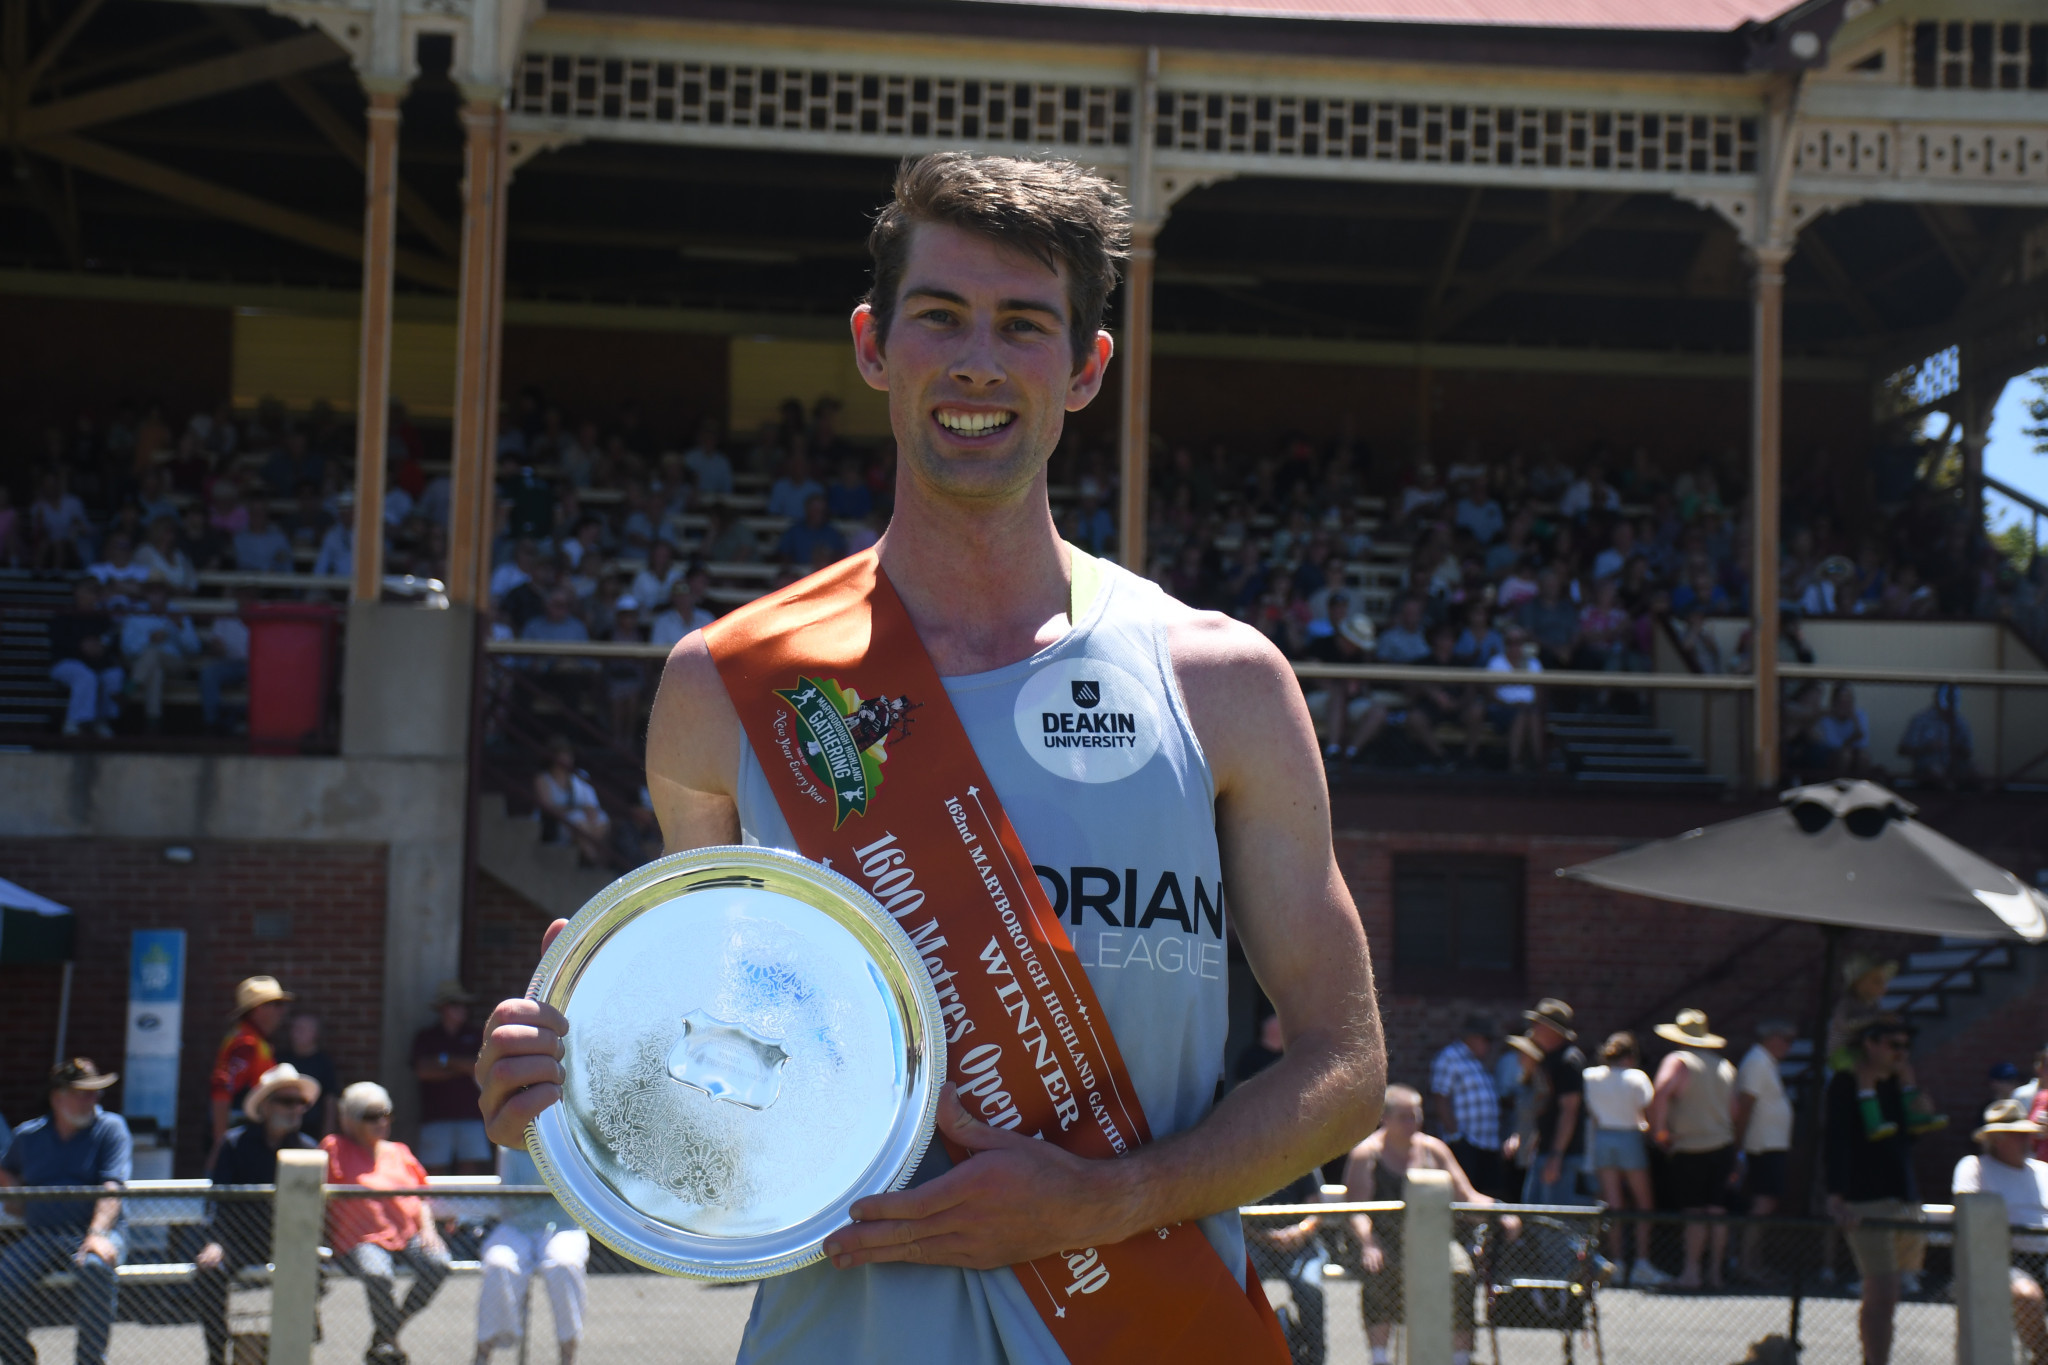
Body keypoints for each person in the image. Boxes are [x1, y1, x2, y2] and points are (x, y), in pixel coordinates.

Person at [476, 151, 1384, 1364]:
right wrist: (573, 1086)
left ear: (1084, 370)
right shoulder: (725, 689)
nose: (977, 360)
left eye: (1023, 326)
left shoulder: (1219, 684)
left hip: (1148, 1331)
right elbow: (720, 1089)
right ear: (871, 345)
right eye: (940, 317)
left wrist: (1107, 1201)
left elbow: (1347, 1066)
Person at [1341, 1086, 1508, 1365]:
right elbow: (1356, 1210)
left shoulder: (1434, 1150)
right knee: (1378, 1272)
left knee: (1461, 1273)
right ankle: (1379, 1358)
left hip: (1435, 1239)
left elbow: (1466, 1197)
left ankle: (1460, 1358)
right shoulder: (1367, 1154)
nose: (1412, 1124)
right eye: (1404, 1117)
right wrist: (1369, 1244)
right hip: (1385, 1239)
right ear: (1385, 1118)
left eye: (1415, 1116)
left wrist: (1501, 1211)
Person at [0, 1060, 129, 1365]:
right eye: (83, 1093)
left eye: (95, 1093)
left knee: (96, 1268)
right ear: (58, 1097)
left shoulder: (110, 1128)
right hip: (42, 1238)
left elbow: (112, 1188)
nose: (93, 1100)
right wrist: (14, 1191)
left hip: (94, 1235)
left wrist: (97, 1235)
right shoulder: (29, 1135)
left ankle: (89, 1361)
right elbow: (6, 1167)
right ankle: (18, 1357)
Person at [196, 1066, 321, 1365]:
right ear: (265, 1105)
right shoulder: (234, 1144)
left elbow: (318, 1210)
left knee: (317, 1267)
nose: (296, 1109)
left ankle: (294, 1350)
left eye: (300, 1103)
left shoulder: (308, 1150)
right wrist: (216, 1242)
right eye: (287, 1102)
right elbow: (218, 1200)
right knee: (209, 1272)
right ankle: (216, 1355)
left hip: (289, 1240)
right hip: (237, 1240)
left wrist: (312, 1243)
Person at [324, 1082, 450, 1365]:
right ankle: (387, 1339)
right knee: (378, 1275)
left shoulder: (399, 1151)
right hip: (361, 1239)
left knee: (439, 1265)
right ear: (352, 1120)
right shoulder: (334, 1148)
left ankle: (386, 1335)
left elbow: (422, 1197)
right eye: (371, 1116)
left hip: (407, 1234)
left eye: (386, 1114)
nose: (382, 1122)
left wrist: (429, 1230)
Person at [1826, 1020, 1927, 1365]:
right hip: (1866, 1199)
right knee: (1881, 1293)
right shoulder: (1846, 1082)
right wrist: (1835, 1196)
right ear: (1870, 1044)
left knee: (1893, 1294)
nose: (1901, 1053)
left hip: (1904, 1196)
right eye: (1893, 1044)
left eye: (1906, 1046)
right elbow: (1836, 1140)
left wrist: (1913, 1093)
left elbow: (1908, 1139)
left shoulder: (1899, 1083)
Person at [1646, 1009, 1737, 1289]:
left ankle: (1691, 1273)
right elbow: (1734, 1109)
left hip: (1690, 1147)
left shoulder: (1679, 1061)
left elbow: (1660, 1091)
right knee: (1717, 1210)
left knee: (1694, 1212)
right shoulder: (1726, 1067)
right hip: (1723, 1146)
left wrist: (1659, 1131)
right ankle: (1716, 1274)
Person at [1951, 1099, 2048, 1365]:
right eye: (2018, 1136)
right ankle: (2043, 1356)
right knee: (2026, 1295)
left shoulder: (2043, 1171)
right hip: (2001, 1258)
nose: (2026, 1142)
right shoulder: (1974, 1168)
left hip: (2045, 1255)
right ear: (1998, 1139)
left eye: (2027, 1135)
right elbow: (1968, 1214)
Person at [477, 1144, 589, 1365]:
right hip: (516, 1225)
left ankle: (568, 1358)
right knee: (499, 1265)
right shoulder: (508, 1147)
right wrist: (546, 1193)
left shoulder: (574, 1143)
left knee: (564, 1265)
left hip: (565, 1226)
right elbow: (510, 1198)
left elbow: (579, 1192)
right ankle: (482, 1356)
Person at [1581, 1032, 1664, 1287]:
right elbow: (1647, 1115)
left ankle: (1617, 1263)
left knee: (1613, 1204)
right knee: (1643, 1203)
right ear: (1630, 1057)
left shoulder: (1590, 1076)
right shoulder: (1636, 1077)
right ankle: (1642, 1262)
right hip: (1629, 1138)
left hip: (1603, 1139)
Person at [1732, 1019, 1798, 1280]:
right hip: (1761, 1146)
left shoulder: (1766, 1062)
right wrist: (1738, 1147)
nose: (1789, 1046)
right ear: (1770, 1037)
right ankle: (1747, 1264)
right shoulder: (1757, 1061)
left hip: (1771, 1146)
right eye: (1785, 1040)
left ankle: (1754, 1263)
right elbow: (1745, 1105)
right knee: (1763, 1202)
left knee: (1767, 1202)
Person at [412, 981, 488, 1176]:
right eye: (456, 1004)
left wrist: (444, 1061)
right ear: (443, 1008)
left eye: (464, 1004)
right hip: (435, 1116)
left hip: (471, 1113)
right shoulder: (427, 1036)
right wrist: (461, 1068)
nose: (462, 1009)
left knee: (470, 1171)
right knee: (433, 1172)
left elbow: (479, 1068)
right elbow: (423, 1071)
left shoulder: (476, 1035)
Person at [211, 976, 293, 1149]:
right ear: (257, 1009)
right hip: (240, 1142)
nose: (281, 1011)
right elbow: (221, 1091)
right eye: (276, 1004)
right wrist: (221, 1145)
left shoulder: (257, 1041)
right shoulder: (246, 1043)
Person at [1521, 998, 1587, 1206]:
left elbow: (1569, 1111)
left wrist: (1556, 1156)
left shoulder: (1568, 1061)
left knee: (1556, 1225)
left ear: (1551, 1029)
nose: (1533, 1028)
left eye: (1538, 1023)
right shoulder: (1548, 1058)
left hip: (1562, 1158)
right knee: (1535, 1218)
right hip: (1545, 1152)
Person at [1429, 1015, 1503, 1199]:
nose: (1489, 1046)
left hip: (1486, 1142)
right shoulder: (1450, 1058)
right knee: (1465, 1196)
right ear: (1474, 1037)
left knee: (1487, 1193)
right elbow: (1440, 1098)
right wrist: (1455, 1136)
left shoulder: (1475, 1062)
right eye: (1487, 1040)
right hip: (1465, 1143)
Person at [121, 578, 202, 733]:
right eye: (152, 591)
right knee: (155, 670)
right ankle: (153, 721)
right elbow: (127, 649)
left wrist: (180, 628)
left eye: (160, 591)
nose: (156, 596)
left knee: (154, 654)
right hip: (143, 663)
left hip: (176, 663)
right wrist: (148, 639)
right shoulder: (136, 614)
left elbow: (194, 649)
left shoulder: (177, 613)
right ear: (146, 594)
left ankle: (129, 689)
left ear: (167, 594)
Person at [49, 578, 123, 738]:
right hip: (65, 664)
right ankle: (75, 722)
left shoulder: (102, 617)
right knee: (85, 676)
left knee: (113, 676)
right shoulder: (64, 614)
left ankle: (101, 720)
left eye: (94, 592)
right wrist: (80, 646)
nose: (91, 596)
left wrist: (101, 647)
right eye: (87, 591)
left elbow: (111, 641)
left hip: (97, 664)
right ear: (77, 592)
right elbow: (57, 641)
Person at [533, 739, 612, 867]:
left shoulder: (580, 776)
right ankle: (593, 861)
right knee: (578, 823)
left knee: (601, 820)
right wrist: (574, 809)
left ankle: (589, 857)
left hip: (583, 823)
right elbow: (548, 809)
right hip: (554, 825)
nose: (566, 760)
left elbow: (592, 806)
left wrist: (589, 812)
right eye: (562, 756)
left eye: (568, 756)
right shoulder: (542, 779)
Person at [275, 1013, 341, 1138]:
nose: (296, 1032)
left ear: (315, 1034)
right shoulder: (281, 1060)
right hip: (281, 1130)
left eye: (302, 1029)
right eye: (294, 1028)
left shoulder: (323, 1063)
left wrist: (327, 1135)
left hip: (312, 1130)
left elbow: (330, 1101)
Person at [1898, 683, 1974, 787]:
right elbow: (1903, 749)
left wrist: (1953, 747)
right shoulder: (1921, 720)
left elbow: (1968, 752)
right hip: (1926, 769)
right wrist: (1927, 748)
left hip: (1955, 767)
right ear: (1936, 697)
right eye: (1946, 697)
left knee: (1975, 769)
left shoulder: (1960, 722)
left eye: (1952, 698)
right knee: (1935, 771)